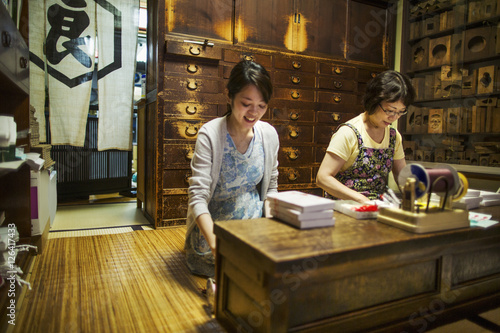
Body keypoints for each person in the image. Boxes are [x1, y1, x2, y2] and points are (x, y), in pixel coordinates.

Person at [184, 60, 279, 278]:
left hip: (254, 223)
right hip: (215, 228)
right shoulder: (210, 134)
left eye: (262, 106)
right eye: (246, 103)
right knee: (239, 270)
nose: (254, 112)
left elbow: (271, 188)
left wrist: (274, 228)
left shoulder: (269, 135)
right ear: (229, 96)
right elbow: (197, 198)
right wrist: (216, 244)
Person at [316, 70, 415, 203]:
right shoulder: (349, 133)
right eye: (390, 110)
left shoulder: (393, 136)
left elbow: (401, 177)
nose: (394, 117)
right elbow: (323, 178)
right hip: (346, 207)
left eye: (400, 112)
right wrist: (362, 200)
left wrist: (415, 197)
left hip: (379, 206)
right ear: (374, 101)